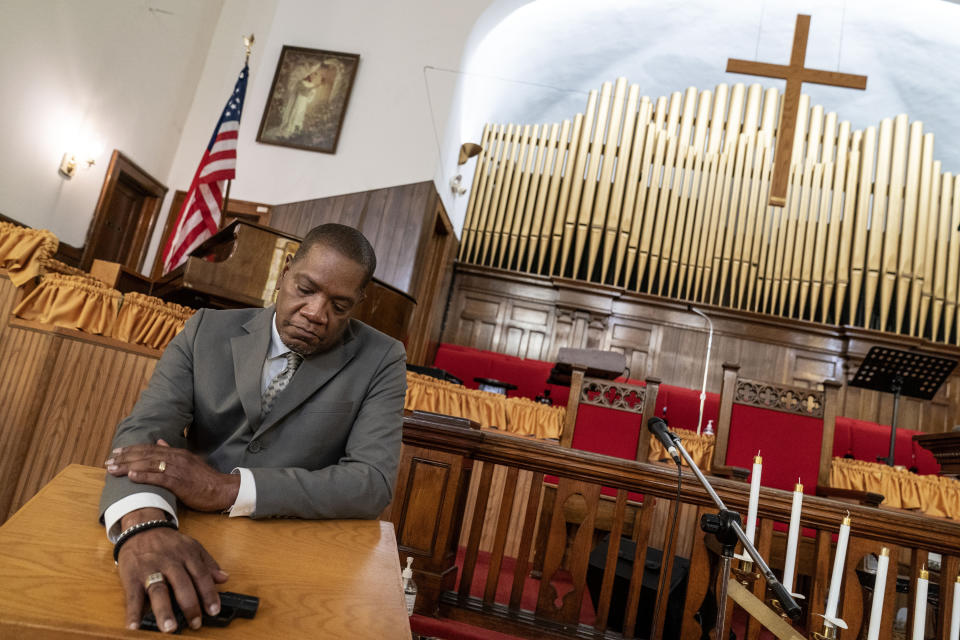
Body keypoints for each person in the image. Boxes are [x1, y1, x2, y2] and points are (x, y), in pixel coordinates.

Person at [98, 223, 407, 633]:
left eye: (340, 305)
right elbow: (146, 430)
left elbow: (370, 481)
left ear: (359, 302)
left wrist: (227, 488)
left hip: (298, 554)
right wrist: (146, 525)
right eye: (306, 289)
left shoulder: (382, 358)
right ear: (284, 272)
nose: (316, 313)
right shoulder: (205, 330)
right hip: (187, 527)